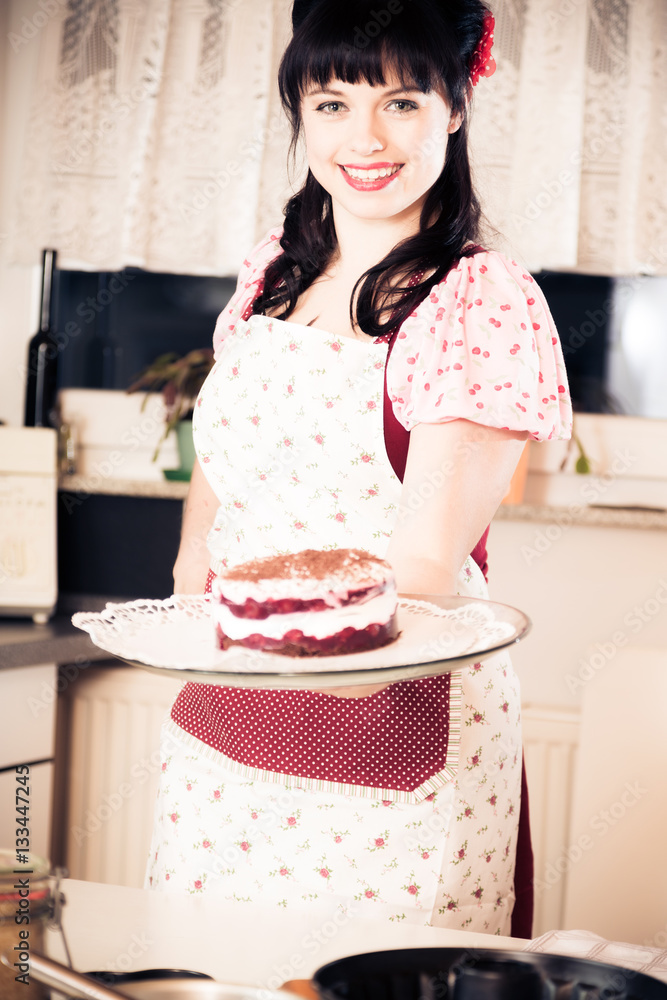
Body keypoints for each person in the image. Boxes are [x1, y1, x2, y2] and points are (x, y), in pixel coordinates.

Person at [145, 0, 572, 936]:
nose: (363, 138)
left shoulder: (475, 299)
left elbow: (421, 573)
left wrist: (275, 668)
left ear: (454, 109)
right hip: (220, 722)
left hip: (382, 724)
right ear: (299, 112)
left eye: (401, 103)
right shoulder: (273, 273)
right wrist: (188, 611)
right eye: (331, 103)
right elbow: (215, 484)